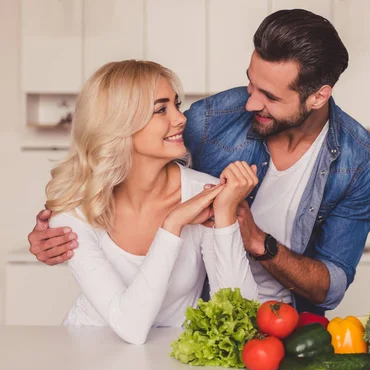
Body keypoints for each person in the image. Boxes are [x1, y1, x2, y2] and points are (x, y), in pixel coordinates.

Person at [28, 9, 370, 316]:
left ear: (318, 96)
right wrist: (66, 228)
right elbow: (131, 172)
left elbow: (331, 285)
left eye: (270, 97)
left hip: (291, 326)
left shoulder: (360, 159)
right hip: (201, 320)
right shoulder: (210, 118)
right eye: (251, 84)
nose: (250, 104)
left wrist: (258, 241)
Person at [42, 60, 260, 345]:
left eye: (175, 105)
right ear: (119, 123)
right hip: (88, 352)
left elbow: (241, 315)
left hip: (171, 362)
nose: (181, 118)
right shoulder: (75, 210)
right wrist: (173, 223)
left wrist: (226, 217)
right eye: (161, 109)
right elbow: (130, 327)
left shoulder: (201, 190)